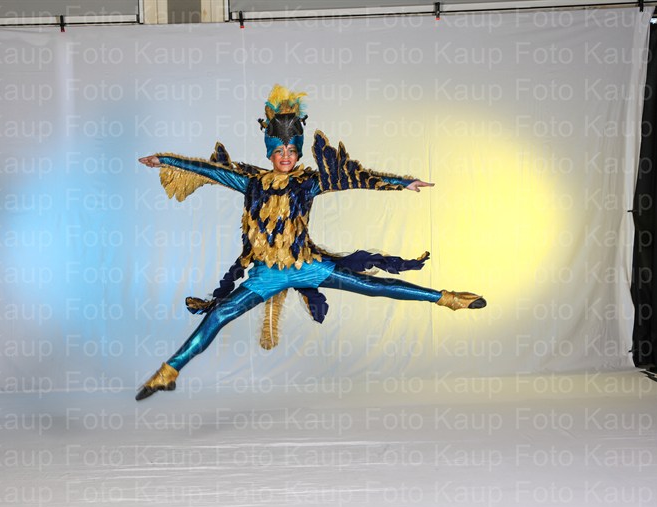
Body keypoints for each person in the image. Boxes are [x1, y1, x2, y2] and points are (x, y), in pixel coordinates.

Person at [135, 84, 485, 400]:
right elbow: (209, 171)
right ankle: (169, 372)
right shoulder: (250, 182)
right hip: (266, 275)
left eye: (291, 149)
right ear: (269, 153)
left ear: (299, 152)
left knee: (373, 286)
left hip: (306, 265)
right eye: (279, 150)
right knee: (219, 315)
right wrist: (165, 160)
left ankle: (447, 298)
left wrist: (402, 183)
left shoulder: (309, 182)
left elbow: (357, 179)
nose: (286, 156)